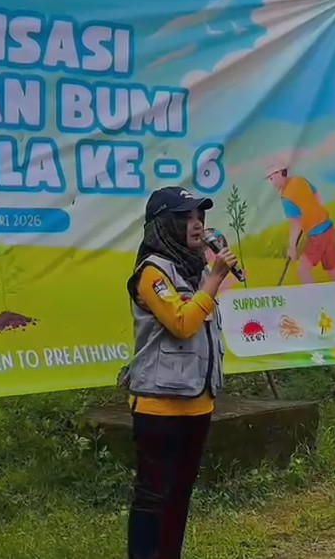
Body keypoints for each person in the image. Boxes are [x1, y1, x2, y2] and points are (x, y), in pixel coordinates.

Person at [123, 186, 237, 559]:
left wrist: (211, 276)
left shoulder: (197, 269)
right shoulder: (152, 272)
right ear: (164, 225)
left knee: (180, 494)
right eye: (185, 217)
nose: (197, 224)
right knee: (153, 496)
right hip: (159, 407)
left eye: (199, 216)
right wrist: (214, 281)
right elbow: (182, 323)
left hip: (198, 404)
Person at [264, 160, 335, 288]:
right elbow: (316, 194)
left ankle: (314, 299)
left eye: (271, 178)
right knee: (333, 270)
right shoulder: (300, 180)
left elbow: (296, 224)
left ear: (280, 173)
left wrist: (292, 247)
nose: (271, 183)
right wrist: (313, 213)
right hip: (328, 228)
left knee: (303, 270)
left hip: (317, 234)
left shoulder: (286, 196)